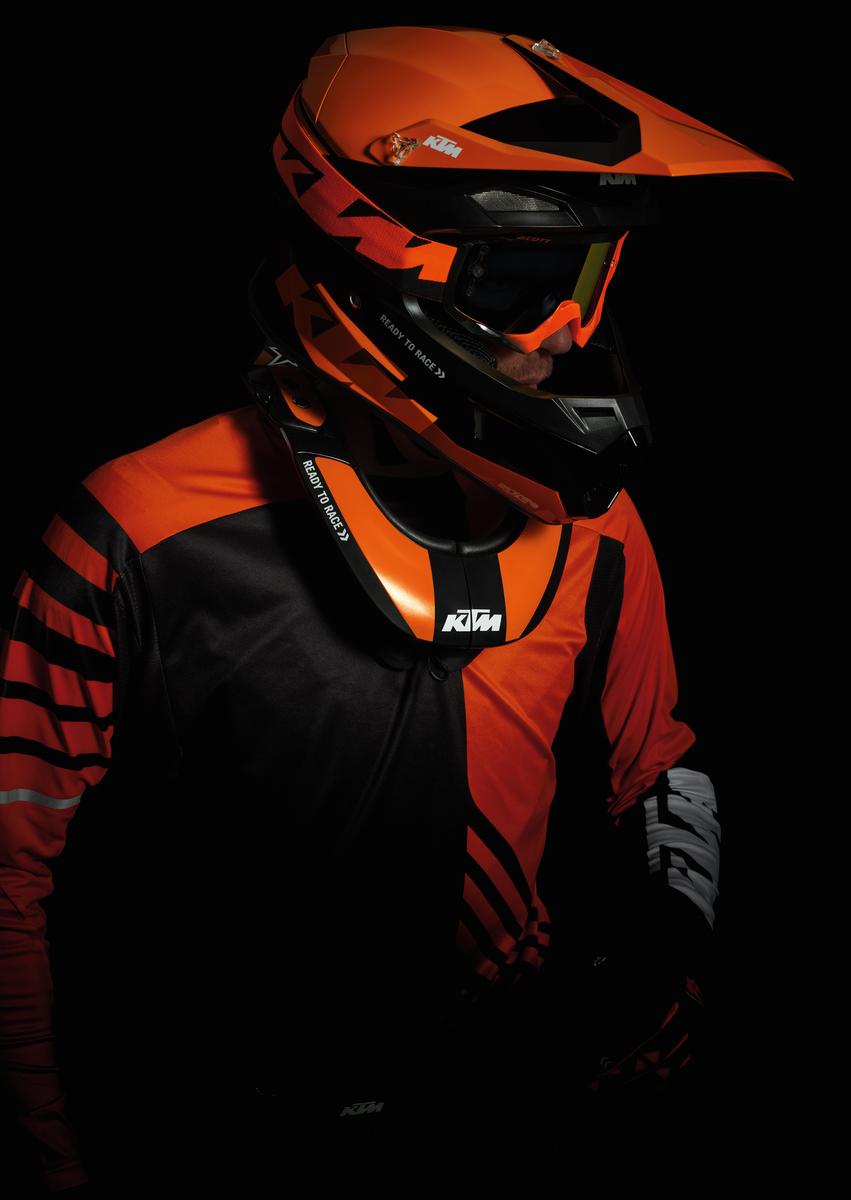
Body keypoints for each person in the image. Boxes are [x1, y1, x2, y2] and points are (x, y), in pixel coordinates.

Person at [1, 25, 792, 1192]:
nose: (570, 333)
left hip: (502, 1106)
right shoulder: (140, 525)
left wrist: (670, 956)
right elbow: (13, 863)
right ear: (373, 253)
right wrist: (45, 1154)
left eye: (589, 282)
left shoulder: (597, 525)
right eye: (523, 283)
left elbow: (660, 765)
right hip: (221, 1121)